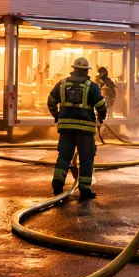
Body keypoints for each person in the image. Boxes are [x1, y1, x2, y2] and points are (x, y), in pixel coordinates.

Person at [47, 56, 106, 199]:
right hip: (85, 131)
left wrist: (58, 116)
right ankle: (85, 190)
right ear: (86, 71)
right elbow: (101, 105)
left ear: (74, 69)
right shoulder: (91, 86)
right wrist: (101, 118)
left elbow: (51, 102)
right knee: (86, 158)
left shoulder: (62, 84)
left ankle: (58, 183)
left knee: (64, 157)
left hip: (66, 129)